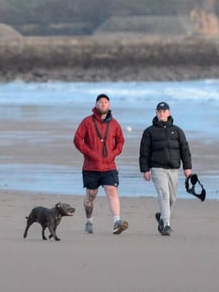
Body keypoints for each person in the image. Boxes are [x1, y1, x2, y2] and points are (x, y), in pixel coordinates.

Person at [73, 93, 128, 235]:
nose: (103, 104)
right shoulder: (87, 122)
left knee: (112, 191)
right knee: (91, 196)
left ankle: (117, 222)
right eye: (101, 102)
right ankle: (89, 221)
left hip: (109, 166)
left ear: (109, 105)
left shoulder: (115, 123)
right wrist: (90, 153)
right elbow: (77, 140)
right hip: (91, 167)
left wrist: (114, 153)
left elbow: (121, 141)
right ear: (96, 104)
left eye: (106, 102)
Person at [139, 101, 192, 236]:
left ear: (169, 113)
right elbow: (144, 152)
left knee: (172, 198)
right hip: (157, 168)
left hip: (174, 169)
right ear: (156, 113)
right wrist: (145, 169)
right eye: (159, 111)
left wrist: (187, 167)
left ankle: (162, 216)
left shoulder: (177, 131)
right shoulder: (149, 131)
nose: (161, 113)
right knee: (164, 194)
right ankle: (166, 224)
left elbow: (185, 150)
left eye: (164, 111)